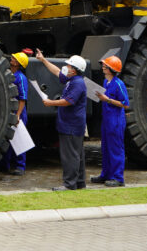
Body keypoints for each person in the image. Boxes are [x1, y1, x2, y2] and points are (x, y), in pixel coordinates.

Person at [36, 49, 88, 191]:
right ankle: (79, 182)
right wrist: (43, 60)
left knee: (70, 155)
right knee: (77, 154)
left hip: (71, 125)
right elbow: (57, 71)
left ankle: (69, 184)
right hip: (72, 124)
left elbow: (68, 101)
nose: (67, 68)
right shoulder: (72, 80)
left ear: (75, 70)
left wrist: (51, 102)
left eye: (70, 66)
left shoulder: (77, 83)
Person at [92, 55, 129, 187]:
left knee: (116, 149)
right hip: (107, 120)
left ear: (112, 69)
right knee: (106, 148)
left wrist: (106, 99)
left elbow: (125, 104)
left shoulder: (119, 84)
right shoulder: (105, 82)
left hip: (115, 121)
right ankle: (106, 175)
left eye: (105, 65)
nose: (103, 66)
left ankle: (118, 178)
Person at [0, 50, 30, 175]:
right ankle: (5, 165)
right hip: (9, 111)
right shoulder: (8, 74)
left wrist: (18, 115)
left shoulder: (21, 78)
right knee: (7, 140)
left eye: (15, 58)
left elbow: (23, 99)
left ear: (18, 64)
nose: (11, 58)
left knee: (19, 140)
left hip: (18, 112)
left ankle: (20, 167)